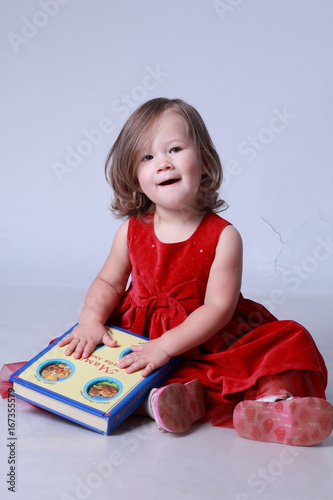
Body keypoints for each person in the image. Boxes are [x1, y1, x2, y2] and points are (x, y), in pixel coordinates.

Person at [58, 97, 333, 445]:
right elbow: (109, 281)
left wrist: (168, 345)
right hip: (141, 334)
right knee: (107, 360)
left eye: (174, 149)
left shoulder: (224, 236)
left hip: (205, 336)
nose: (163, 164)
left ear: (203, 160)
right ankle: (162, 402)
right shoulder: (131, 230)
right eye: (147, 157)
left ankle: (273, 403)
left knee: (287, 342)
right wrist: (90, 320)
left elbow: (219, 308)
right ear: (134, 177)